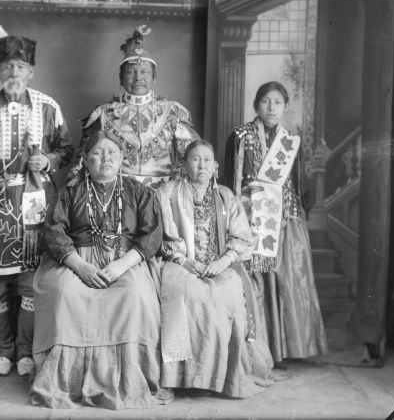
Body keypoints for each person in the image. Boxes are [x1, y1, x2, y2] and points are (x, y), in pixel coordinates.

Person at [0, 34, 73, 377]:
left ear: (31, 71)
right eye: (7, 66)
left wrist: (47, 160)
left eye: (20, 66)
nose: (13, 72)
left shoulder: (49, 107)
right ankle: (0, 352)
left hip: (34, 203)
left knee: (30, 281)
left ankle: (26, 352)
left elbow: (67, 151)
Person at [30, 131, 163, 409]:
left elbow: (151, 234)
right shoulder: (70, 192)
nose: (106, 158)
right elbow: (54, 232)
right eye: (98, 153)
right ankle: (65, 381)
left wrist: (121, 265)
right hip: (77, 260)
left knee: (135, 295)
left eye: (112, 152)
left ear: (122, 158)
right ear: (86, 160)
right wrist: (79, 265)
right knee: (66, 293)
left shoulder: (139, 192)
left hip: (126, 261)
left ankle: (127, 381)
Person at [157, 139, 273, 398]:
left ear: (215, 166)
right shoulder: (168, 192)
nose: (201, 165)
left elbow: (242, 236)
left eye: (207, 160)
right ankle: (178, 378)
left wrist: (222, 261)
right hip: (180, 262)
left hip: (219, 263)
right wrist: (185, 260)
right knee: (180, 295)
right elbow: (165, 234)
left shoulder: (225, 195)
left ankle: (223, 378)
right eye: (195, 159)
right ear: (184, 164)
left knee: (227, 297)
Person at [223, 81, 328, 364]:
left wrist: (300, 208)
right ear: (256, 104)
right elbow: (230, 181)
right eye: (266, 101)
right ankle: (261, 349)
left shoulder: (290, 139)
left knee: (290, 276)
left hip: (286, 218)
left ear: (284, 107)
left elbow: (298, 180)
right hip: (252, 217)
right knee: (258, 276)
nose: (271, 108)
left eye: (277, 102)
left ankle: (291, 348)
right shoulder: (241, 136)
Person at [74, 26, 199, 187]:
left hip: (162, 194)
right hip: (117, 193)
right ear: (121, 78)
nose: (138, 77)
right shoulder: (104, 114)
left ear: (154, 78)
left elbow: (195, 155)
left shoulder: (172, 112)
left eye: (144, 72)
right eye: (131, 72)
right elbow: (82, 161)